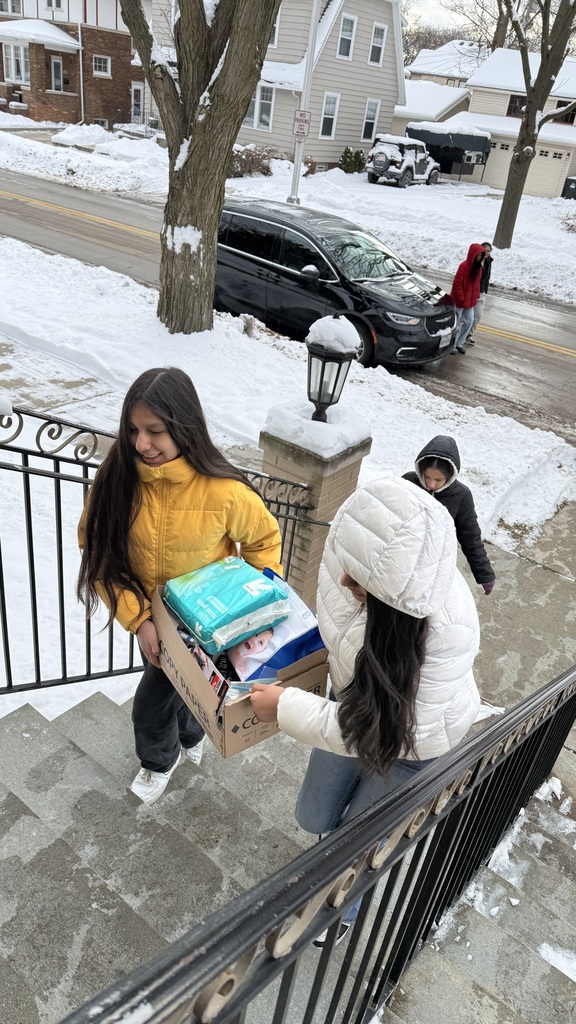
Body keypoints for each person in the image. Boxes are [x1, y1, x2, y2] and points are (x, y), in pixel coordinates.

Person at [250, 476, 481, 946]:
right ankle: (329, 863)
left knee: (359, 838)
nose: (343, 581)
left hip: (411, 744)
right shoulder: (354, 562)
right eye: (348, 565)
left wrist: (287, 707)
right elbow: (337, 636)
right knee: (315, 815)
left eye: (362, 581)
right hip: (356, 704)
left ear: (399, 599)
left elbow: (383, 735)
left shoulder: (445, 631)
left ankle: (339, 909)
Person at [77, 367, 282, 805]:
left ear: (184, 427)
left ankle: (177, 746)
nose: (140, 444)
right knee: (167, 693)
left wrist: (253, 605)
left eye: (155, 431)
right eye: (133, 429)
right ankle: (169, 753)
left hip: (208, 628)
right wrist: (140, 620)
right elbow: (99, 557)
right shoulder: (116, 480)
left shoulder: (224, 492)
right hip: (152, 624)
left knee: (174, 698)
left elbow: (264, 540)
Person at [403, 435, 495, 594]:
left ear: (450, 475)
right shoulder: (408, 482)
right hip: (404, 556)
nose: (431, 484)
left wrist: (484, 574)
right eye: (427, 477)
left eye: (438, 480)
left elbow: (470, 537)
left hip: (432, 566)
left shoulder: (461, 496)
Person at [449, 242, 486, 354]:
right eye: (477, 255)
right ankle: (451, 345)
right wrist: (461, 298)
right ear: (472, 254)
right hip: (460, 301)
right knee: (456, 324)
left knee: (469, 321)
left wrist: (476, 295)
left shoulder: (478, 268)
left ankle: (459, 343)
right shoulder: (464, 266)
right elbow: (457, 284)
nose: (479, 258)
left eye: (480, 256)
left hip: (470, 301)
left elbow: (477, 284)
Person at [467, 241, 493, 346]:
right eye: (485, 250)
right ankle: (460, 335)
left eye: (489, 251)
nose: (487, 253)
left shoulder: (489, 262)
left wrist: (484, 291)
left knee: (477, 315)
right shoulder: (476, 261)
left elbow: (486, 279)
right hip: (473, 292)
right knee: (467, 317)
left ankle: (468, 335)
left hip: (481, 292)